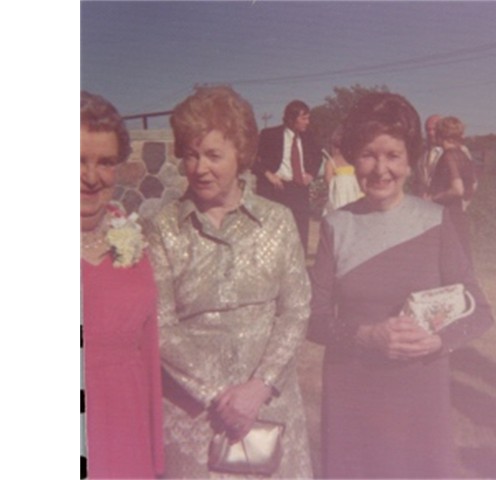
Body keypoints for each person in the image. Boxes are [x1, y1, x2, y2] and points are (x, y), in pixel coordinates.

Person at [308, 92, 493, 479]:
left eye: (392, 155)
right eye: (368, 155)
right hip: (353, 392)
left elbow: (479, 310)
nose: (380, 169)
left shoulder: (438, 220)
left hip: (419, 392)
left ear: (410, 160)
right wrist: (365, 337)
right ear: (353, 157)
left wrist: (441, 341)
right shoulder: (335, 226)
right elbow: (314, 318)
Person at [145, 86, 313, 478]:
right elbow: (160, 324)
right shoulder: (161, 229)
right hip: (196, 418)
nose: (200, 167)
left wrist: (258, 386)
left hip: (269, 407)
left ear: (241, 155)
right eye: (190, 154)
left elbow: (296, 309)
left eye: (213, 155)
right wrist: (221, 395)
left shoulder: (278, 221)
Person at [81, 91, 164, 478]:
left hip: (127, 436)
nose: (91, 177)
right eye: (77, 161)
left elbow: (147, 353)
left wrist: (152, 458)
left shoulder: (131, 242)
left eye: (105, 162)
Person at [252, 99, 323, 253]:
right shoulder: (269, 135)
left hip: (299, 189)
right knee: (274, 232)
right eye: (304, 118)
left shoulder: (308, 136)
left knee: (301, 231)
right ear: (291, 119)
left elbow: (318, 157)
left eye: (308, 118)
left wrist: (311, 174)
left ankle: (301, 268)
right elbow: (251, 158)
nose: (307, 122)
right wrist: (267, 174)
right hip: (276, 189)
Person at [426, 116, 477, 260]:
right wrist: (465, 203)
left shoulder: (448, 156)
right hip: (459, 214)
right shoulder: (463, 155)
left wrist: (432, 199)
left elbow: (457, 189)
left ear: (441, 134)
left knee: (448, 259)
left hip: (447, 215)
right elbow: (473, 185)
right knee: (462, 257)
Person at [323, 125, 363, 214]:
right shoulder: (331, 162)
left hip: (353, 192)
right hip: (339, 195)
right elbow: (328, 179)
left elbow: (359, 175)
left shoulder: (353, 160)